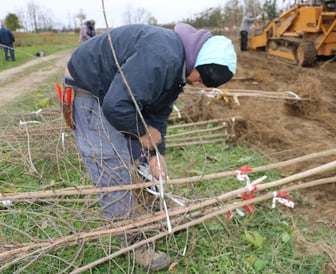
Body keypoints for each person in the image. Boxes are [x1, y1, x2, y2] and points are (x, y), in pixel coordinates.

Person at [62, 23, 236, 271]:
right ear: (198, 65)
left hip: (115, 91)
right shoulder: (162, 57)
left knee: (139, 150)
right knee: (112, 165)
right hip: (90, 88)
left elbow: (157, 113)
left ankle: (152, 200)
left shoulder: (178, 67)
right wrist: (142, 133)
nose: (198, 85)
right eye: (201, 80)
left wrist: (156, 154)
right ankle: (131, 240)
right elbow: (116, 106)